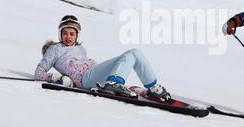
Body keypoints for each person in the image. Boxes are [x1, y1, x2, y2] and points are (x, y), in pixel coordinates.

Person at [35, 15, 171, 101]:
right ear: (59, 34)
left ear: (77, 35)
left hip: (94, 73)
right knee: (130, 54)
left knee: (134, 53)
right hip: (85, 79)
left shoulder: (80, 48)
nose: (68, 37)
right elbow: (39, 73)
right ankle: (113, 84)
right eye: (65, 33)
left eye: (72, 33)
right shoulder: (54, 49)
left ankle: (153, 88)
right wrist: (57, 78)